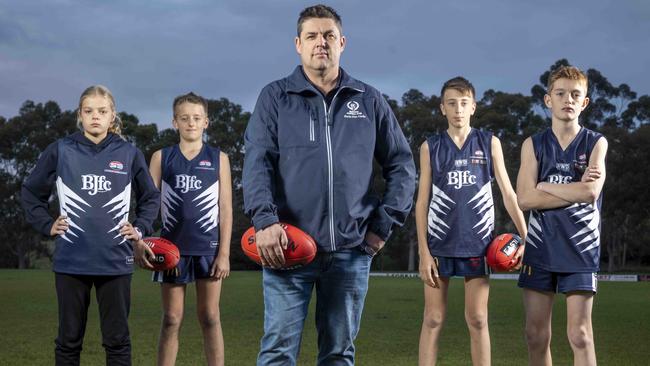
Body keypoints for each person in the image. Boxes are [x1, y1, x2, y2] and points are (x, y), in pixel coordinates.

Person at [242, 4, 415, 365]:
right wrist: (265, 221)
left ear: (342, 42)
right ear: (297, 44)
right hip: (285, 248)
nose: (320, 42)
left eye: (328, 35)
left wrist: (382, 226)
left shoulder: (368, 100)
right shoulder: (275, 98)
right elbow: (257, 164)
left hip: (351, 253)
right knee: (276, 353)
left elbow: (402, 164)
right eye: (312, 36)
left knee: (338, 355)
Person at [21, 85, 160, 366]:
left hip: (115, 261)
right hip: (72, 260)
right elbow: (30, 192)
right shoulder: (60, 150)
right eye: (89, 111)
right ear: (80, 115)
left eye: (102, 111)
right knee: (69, 342)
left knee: (118, 342)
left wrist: (141, 229)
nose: (95, 116)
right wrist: (47, 224)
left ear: (112, 116)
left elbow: (151, 198)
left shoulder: (128, 153)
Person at [415, 77, 527, 366]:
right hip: (440, 244)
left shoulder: (489, 143)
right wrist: (423, 252)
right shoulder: (430, 147)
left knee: (477, 319)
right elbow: (421, 203)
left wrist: (526, 237)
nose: (458, 109)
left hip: (479, 245)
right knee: (433, 318)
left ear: (473, 107)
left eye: (464, 103)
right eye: (451, 103)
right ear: (442, 108)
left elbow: (508, 193)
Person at [516, 65, 607, 366]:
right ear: (548, 100)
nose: (568, 99)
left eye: (575, 94)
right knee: (536, 335)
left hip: (580, 249)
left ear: (585, 103)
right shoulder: (534, 144)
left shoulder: (596, 143)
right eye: (560, 93)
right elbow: (525, 198)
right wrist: (573, 187)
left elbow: (590, 194)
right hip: (540, 248)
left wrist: (545, 185)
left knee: (580, 335)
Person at [142, 92, 232, 366]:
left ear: (206, 122)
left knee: (210, 317)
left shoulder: (219, 158)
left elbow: (226, 209)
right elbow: (148, 205)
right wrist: (144, 242)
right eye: (184, 118)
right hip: (172, 251)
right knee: (171, 319)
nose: (190, 123)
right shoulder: (161, 157)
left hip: (208, 249)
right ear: (174, 122)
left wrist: (224, 254)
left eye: (196, 118)